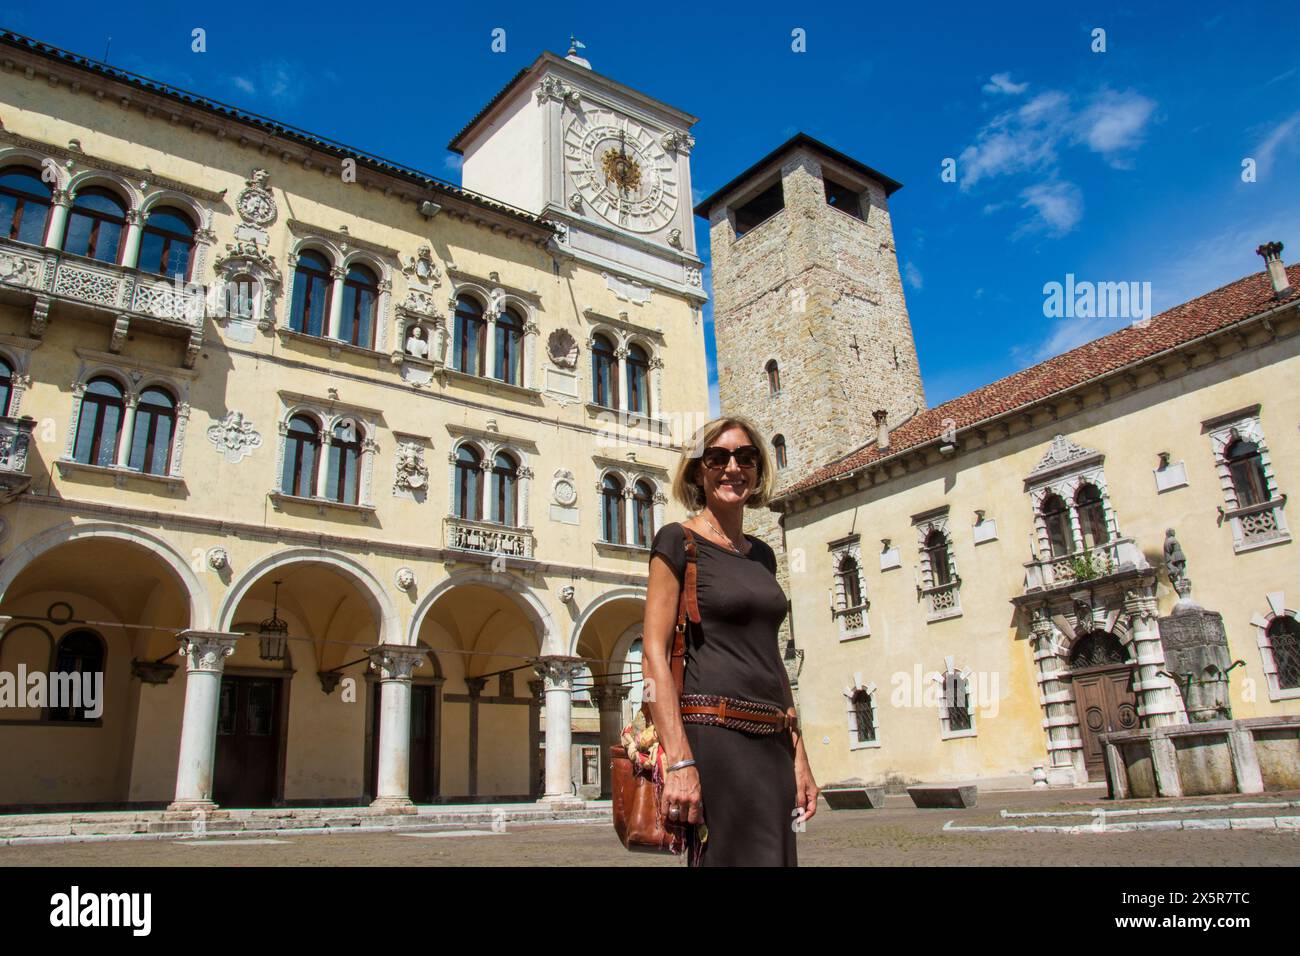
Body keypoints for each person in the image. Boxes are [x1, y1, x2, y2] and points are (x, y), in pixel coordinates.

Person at [641, 415, 819, 866]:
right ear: (698, 472)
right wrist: (680, 761)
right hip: (716, 737)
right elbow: (654, 655)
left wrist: (799, 756)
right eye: (717, 458)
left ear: (758, 471)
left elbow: (772, 659)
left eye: (746, 457)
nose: (732, 468)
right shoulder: (677, 541)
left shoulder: (762, 555)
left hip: (773, 741)